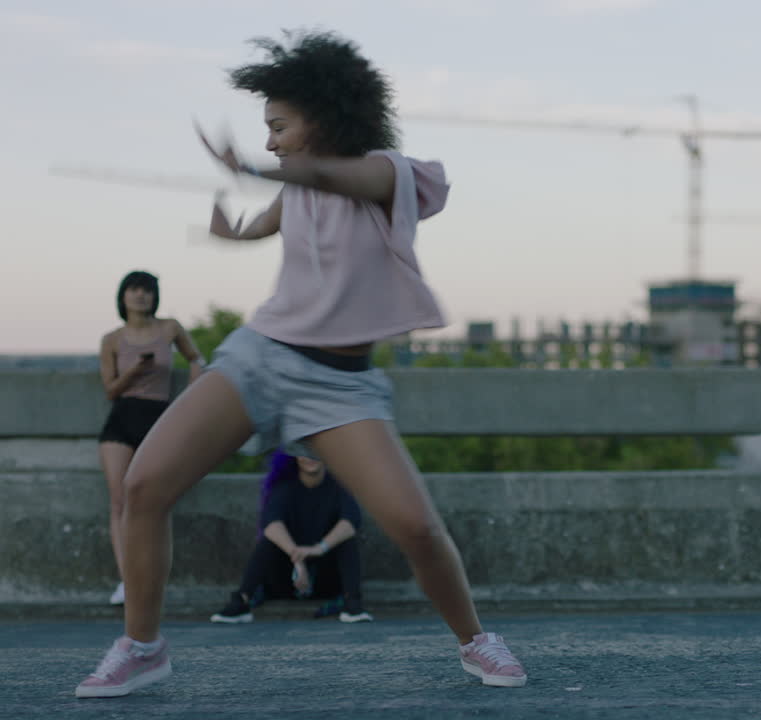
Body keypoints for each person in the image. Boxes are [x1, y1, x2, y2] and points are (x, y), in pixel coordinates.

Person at [75, 30, 527, 699]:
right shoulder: (296, 190)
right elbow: (276, 215)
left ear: (325, 115)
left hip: (339, 387)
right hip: (259, 359)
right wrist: (236, 230)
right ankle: (142, 647)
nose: (270, 142)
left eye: (279, 127)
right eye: (266, 131)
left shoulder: (389, 174)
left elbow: (325, 174)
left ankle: (475, 640)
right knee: (144, 488)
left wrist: (259, 169)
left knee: (417, 528)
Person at [97, 270, 204, 606]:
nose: (140, 295)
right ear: (123, 296)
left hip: (159, 419)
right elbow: (110, 390)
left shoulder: (169, 327)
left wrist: (191, 396)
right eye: (133, 289)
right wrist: (133, 372)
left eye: (146, 290)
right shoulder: (112, 339)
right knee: (119, 502)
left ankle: (150, 580)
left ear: (154, 296)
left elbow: (197, 359)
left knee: (152, 502)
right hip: (121, 422)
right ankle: (127, 581)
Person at [211, 451, 372, 624]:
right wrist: (296, 556)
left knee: (347, 541)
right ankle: (241, 601)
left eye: (315, 452)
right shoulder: (284, 487)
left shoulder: (340, 486)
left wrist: (318, 549)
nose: (310, 457)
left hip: (326, 578)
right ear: (293, 457)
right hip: (287, 578)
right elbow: (271, 525)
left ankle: (353, 603)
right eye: (302, 452)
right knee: (268, 542)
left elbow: (350, 522)